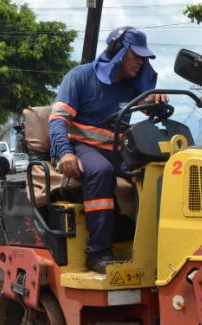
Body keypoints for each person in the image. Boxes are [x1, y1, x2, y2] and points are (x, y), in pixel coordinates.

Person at [49, 27, 169, 273]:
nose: (141, 61)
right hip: (81, 147)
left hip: (117, 149)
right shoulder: (80, 77)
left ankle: (157, 245)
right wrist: (64, 152)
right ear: (118, 52)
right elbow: (57, 120)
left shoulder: (132, 85)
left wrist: (155, 99)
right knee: (100, 171)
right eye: (136, 55)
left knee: (157, 170)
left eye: (144, 57)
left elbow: (147, 107)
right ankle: (98, 252)